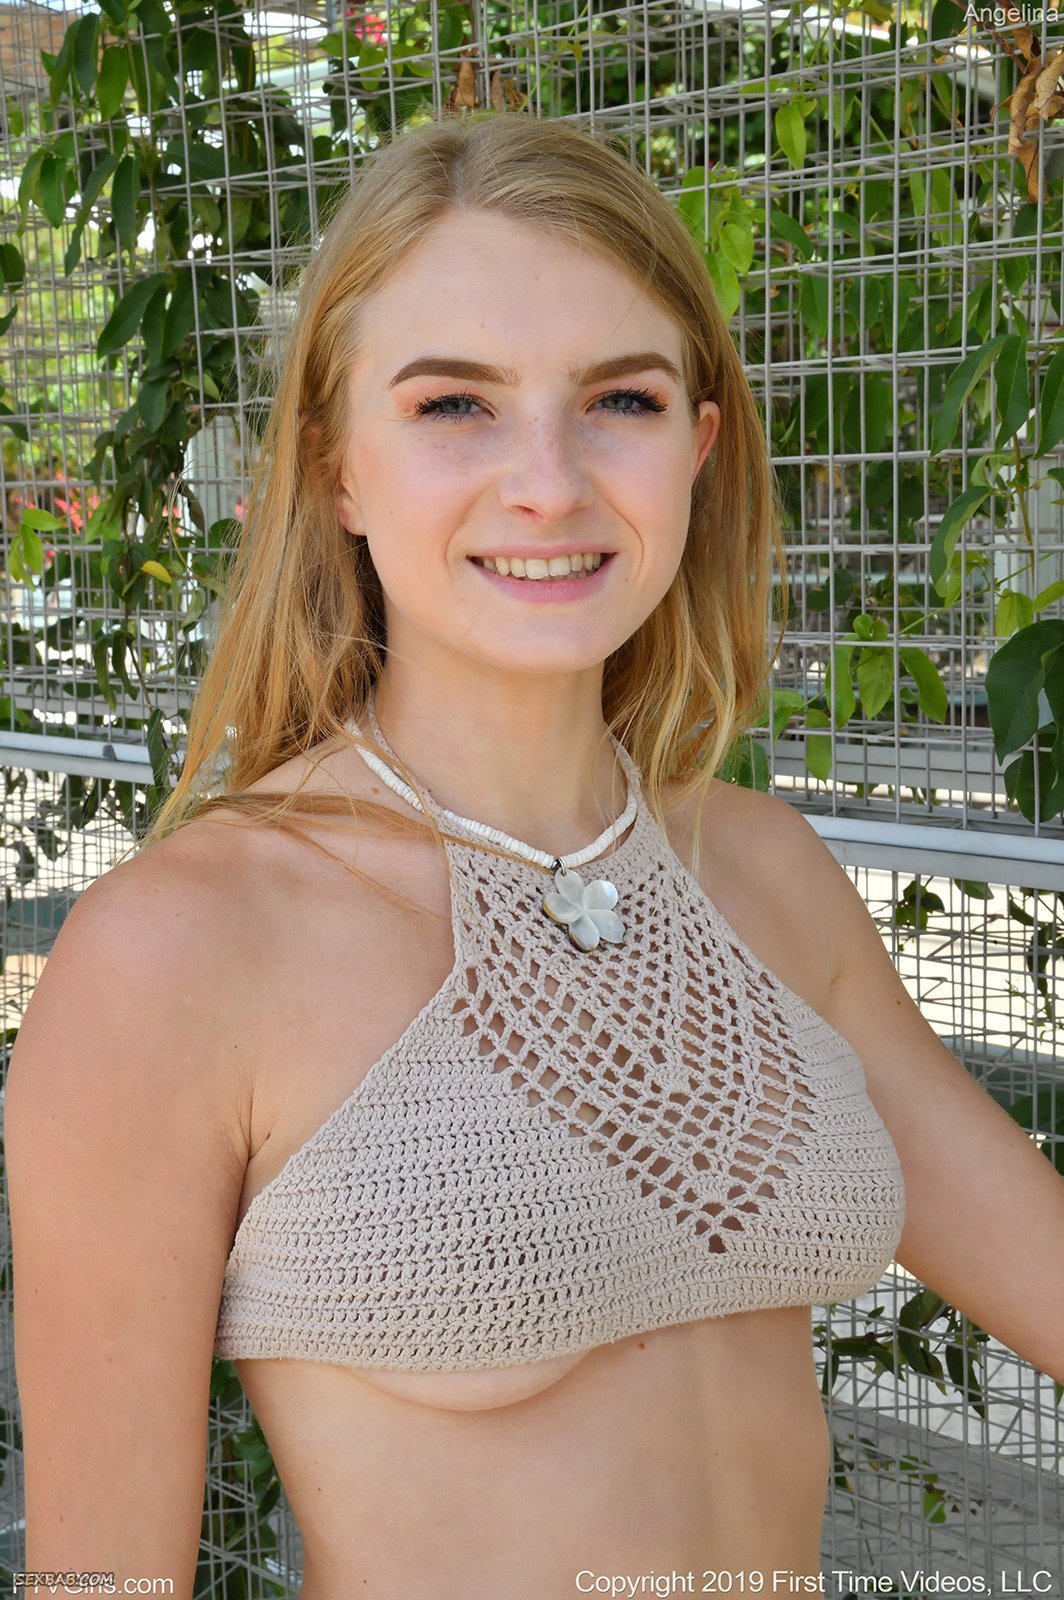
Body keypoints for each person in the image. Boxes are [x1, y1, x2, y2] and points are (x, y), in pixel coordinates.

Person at [7, 108, 1063, 1600]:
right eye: (455, 405)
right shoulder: (178, 950)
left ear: (699, 447)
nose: (551, 483)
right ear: (335, 469)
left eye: (621, 399)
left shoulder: (765, 873)